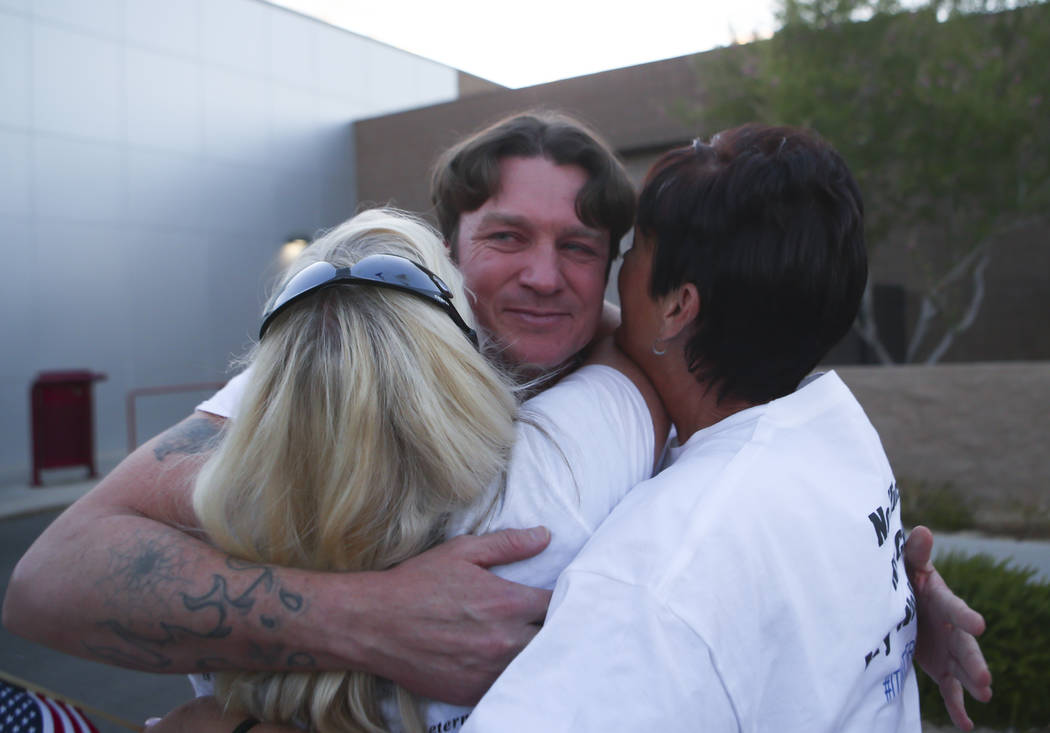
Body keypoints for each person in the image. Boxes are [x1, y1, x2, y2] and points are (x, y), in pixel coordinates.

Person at [2, 111, 989, 729]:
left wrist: (882, 592)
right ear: (448, 249)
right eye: (508, 237)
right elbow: (50, 582)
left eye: (583, 247)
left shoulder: (643, 373)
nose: (544, 275)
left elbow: (755, 467)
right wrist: (368, 620)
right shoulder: (341, 371)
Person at [459, 125, 927, 731]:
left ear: (679, 306)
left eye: (632, 250)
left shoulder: (656, 578)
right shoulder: (835, 432)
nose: (616, 275)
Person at [181, 207, 663, 732]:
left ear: (269, 385)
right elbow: (639, 349)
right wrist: (563, 295)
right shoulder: (548, 486)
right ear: (454, 353)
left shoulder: (216, 540)